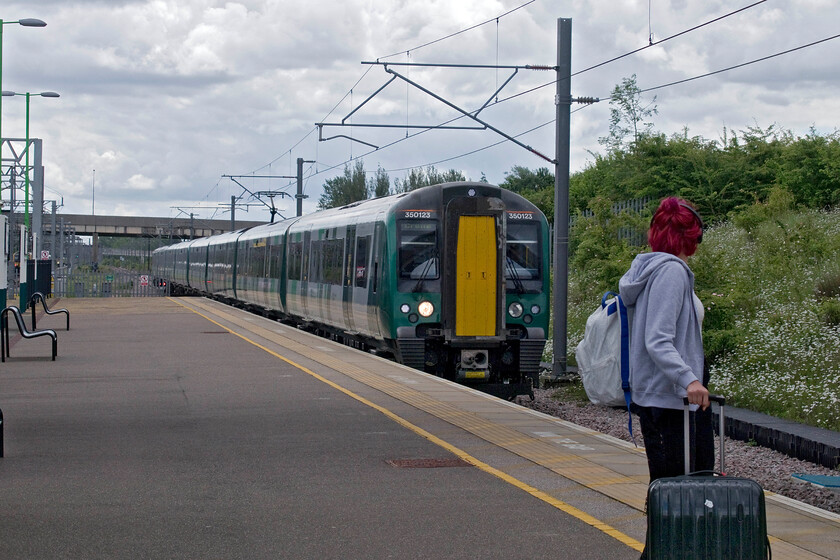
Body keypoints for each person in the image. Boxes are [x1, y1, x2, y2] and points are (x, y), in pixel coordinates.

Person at [619, 197, 713, 485]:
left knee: (670, 490)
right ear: (691, 236)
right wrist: (690, 380)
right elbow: (658, 340)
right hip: (671, 399)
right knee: (682, 491)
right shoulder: (671, 271)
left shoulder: (654, 269)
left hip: (666, 397)